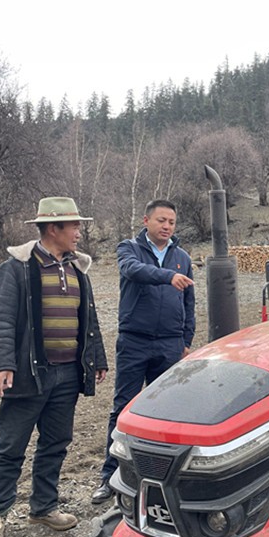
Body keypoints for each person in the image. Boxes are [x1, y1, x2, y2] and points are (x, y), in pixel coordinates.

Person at [0, 197, 108, 537]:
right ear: (54, 228)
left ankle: (43, 508)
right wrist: (1, 364)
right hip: (29, 374)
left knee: (55, 443)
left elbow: (88, 318)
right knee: (10, 447)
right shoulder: (16, 268)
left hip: (68, 375)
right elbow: (1, 320)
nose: (79, 232)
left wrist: (96, 358)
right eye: (74, 226)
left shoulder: (77, 268)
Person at [91, 199, 195, 504]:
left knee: (167, 411)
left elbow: (189, 302)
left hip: (170, 344)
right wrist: (166, 276)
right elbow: (133, 271)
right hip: (134, 342)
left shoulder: (182, 257)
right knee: (123, 408)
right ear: (146, 220)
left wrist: (186, 340)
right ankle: (110, 475)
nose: (167, 226)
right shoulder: (129, 249)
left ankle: (162, 476)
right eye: (161, 220)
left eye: (171, 222)